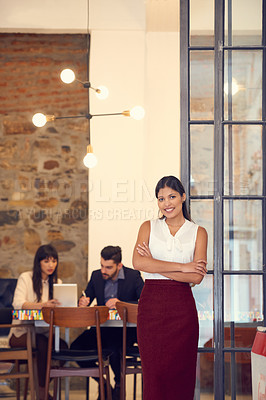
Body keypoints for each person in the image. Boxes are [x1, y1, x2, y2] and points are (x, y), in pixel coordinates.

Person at [132, 175, 208, 400]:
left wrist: (155, 265)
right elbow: (138, 263)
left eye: (172, 196)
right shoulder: (148, 227)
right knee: (154, 374)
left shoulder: (198, 232)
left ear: (183, 197)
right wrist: (183, 267)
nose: (167, 203)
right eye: (161, 198)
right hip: (151, 308)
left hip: (182, 310)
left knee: (181, 373)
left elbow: (197, 276)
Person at [70, 245, 144, 400]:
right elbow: (87, 296)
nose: (104, 270)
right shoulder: (96, 276)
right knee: (75, 348)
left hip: (126, 331)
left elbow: (144, 302)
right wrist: (83, 302)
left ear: (119, 265)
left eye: (108, 267)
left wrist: (121, 303)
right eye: (102, 266)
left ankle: (117, 386)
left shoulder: (133, 276)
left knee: (114, 348)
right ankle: (103, 383)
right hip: (102, 329)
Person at [9, 244, 67, 400]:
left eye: (54, 261)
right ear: (39, 262)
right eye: (46, 261)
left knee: (63, 347)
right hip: (21, 333)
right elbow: (18, 304)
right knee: (43, 344)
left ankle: (41, 386)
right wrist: (44, 305)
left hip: (45, 333)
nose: (51, 265)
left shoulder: (58, 282)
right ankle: (42, 393)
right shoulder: (26, 277)